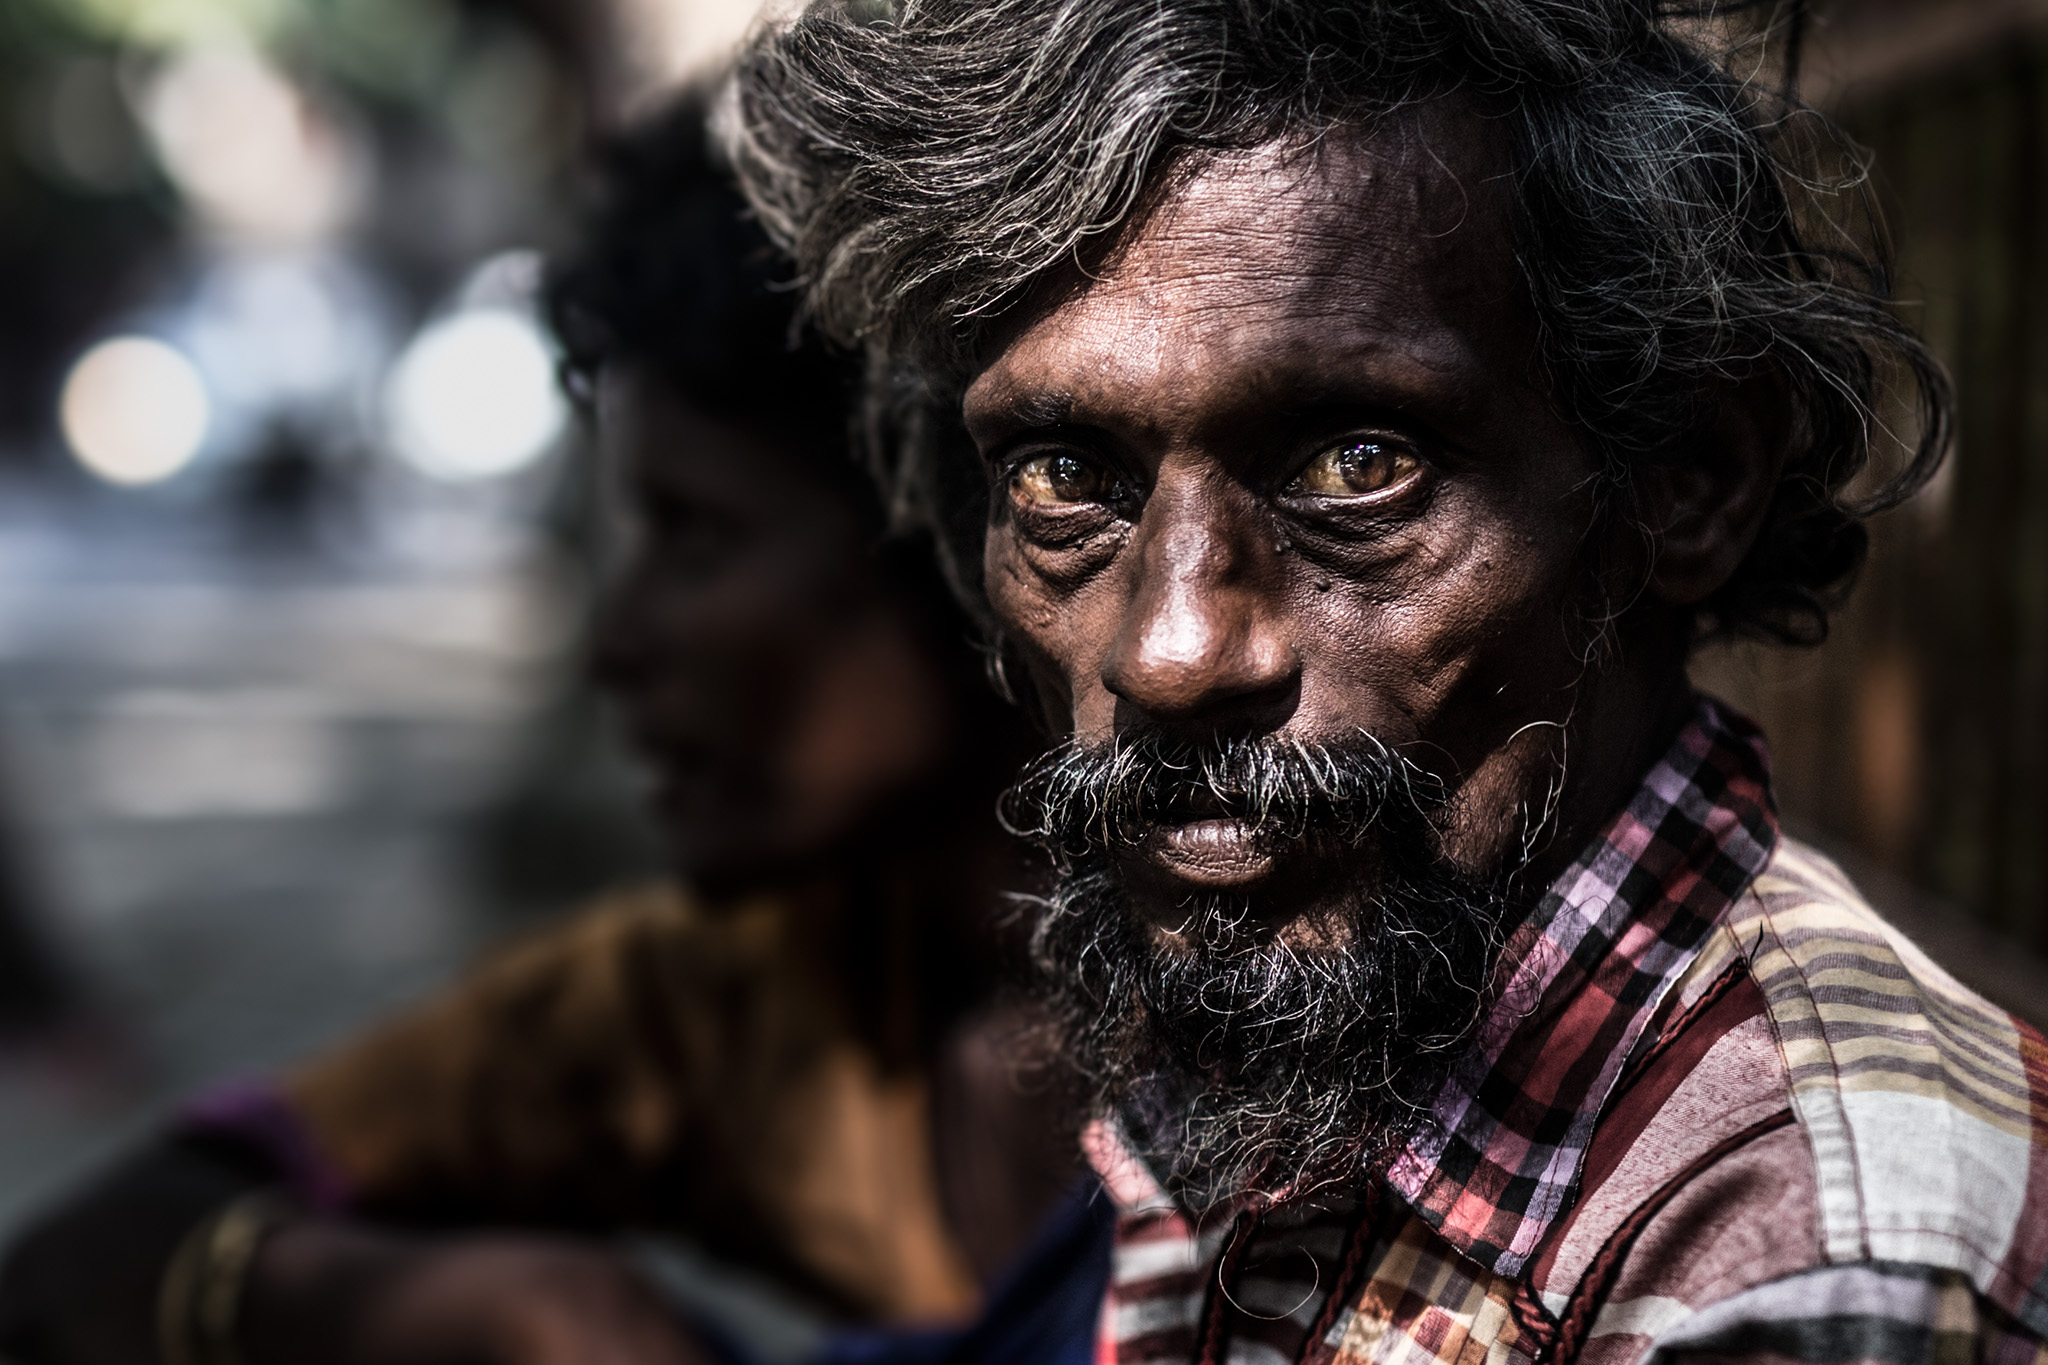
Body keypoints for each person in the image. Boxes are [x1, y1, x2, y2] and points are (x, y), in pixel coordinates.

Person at [725, 2, 2048, 1363]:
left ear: (1689, 477)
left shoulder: (1820, 1265)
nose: (1168, 652)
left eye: (1356, 466)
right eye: (1066, 479)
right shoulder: (1320, 1051)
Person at [0, 98, 1092, 1365]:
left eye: (695, 536)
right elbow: (90, 1259)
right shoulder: (740, 1002)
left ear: (954, 537)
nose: (616, 646)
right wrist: (498, 1310)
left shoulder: (1263, 1041)